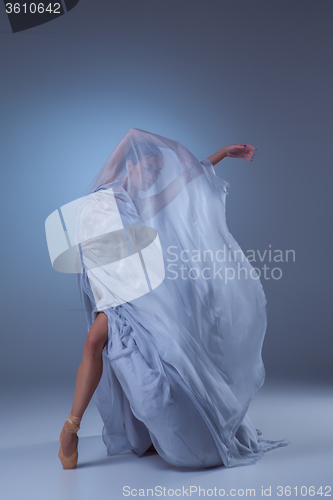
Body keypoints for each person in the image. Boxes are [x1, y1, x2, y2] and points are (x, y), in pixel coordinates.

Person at [58, 128, 289, 470]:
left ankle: (152, 429)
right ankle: (72, 430)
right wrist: (138, 136)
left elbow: (187, 181)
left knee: (147, 356)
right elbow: (128, 143)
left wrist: (222, 154)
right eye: (146, 168)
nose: (152, 175)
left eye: (156, 171)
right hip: (112, 290)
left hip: (138, 292)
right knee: (95, 346)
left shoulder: (145, 202)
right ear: (130, 167)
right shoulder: (107, 192)